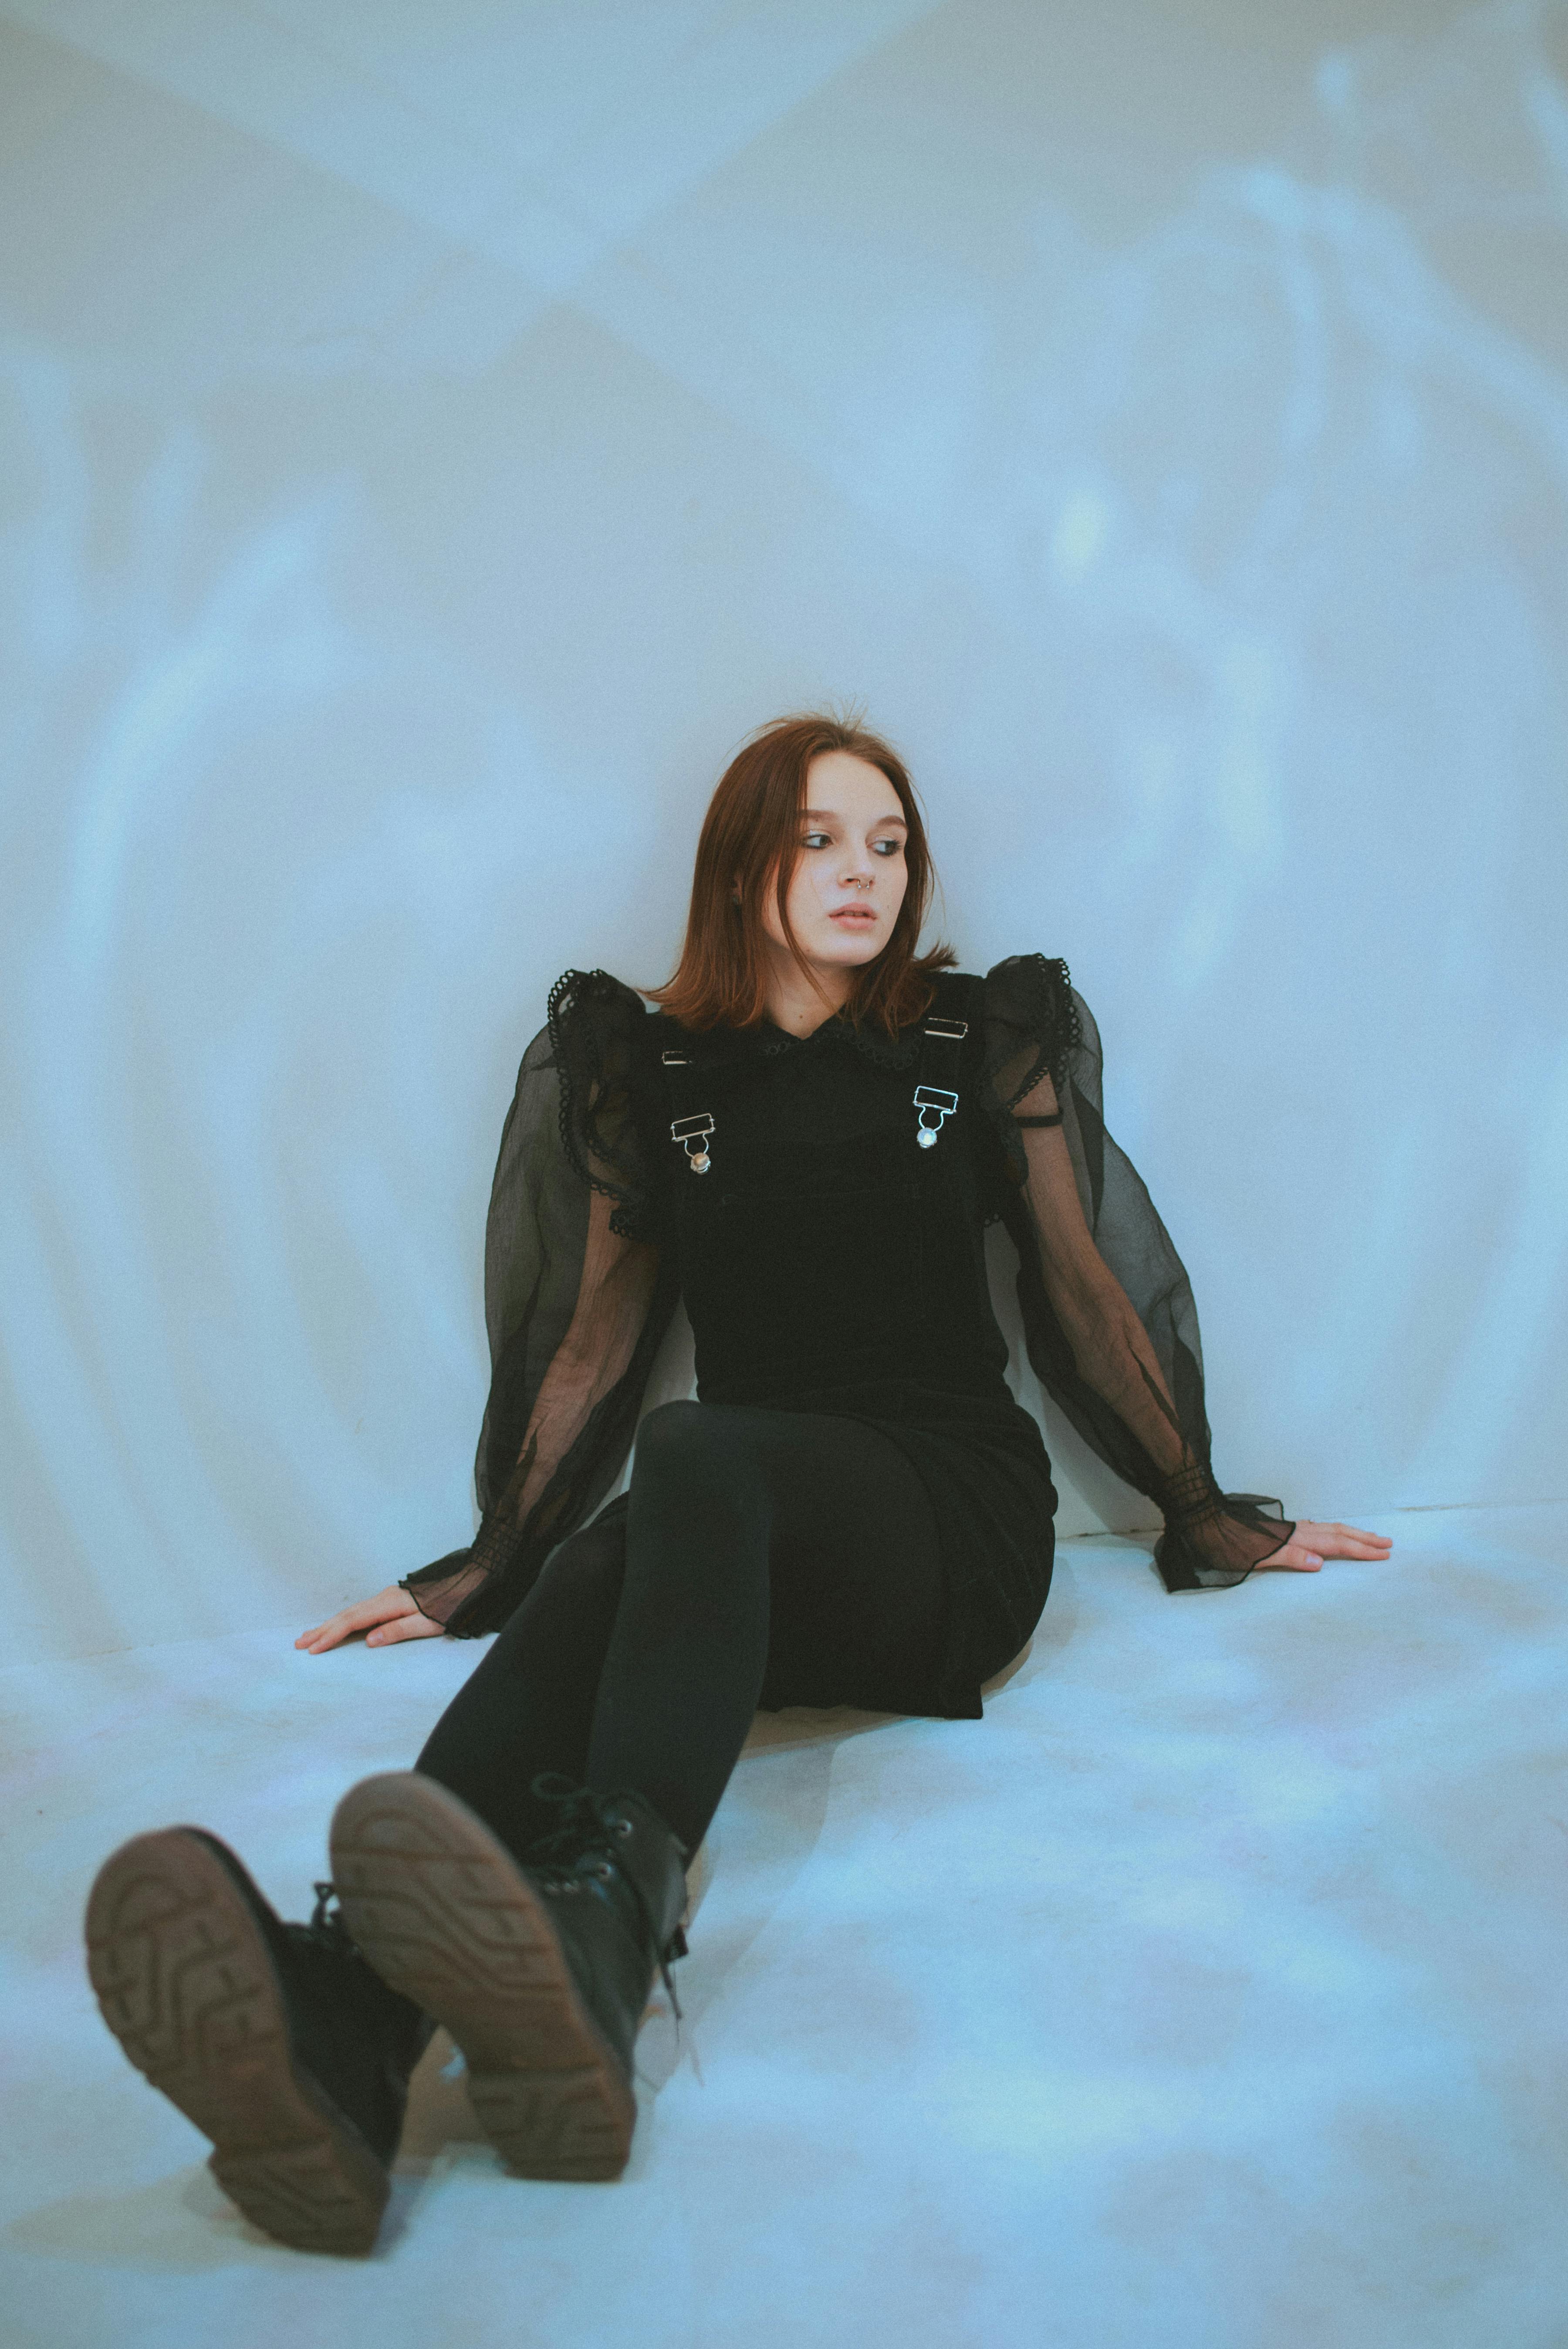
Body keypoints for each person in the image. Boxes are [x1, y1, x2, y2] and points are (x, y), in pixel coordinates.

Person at [83, 713, 1391, 2257]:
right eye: (820, 839)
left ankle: (602, 1938)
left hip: (950, 1526)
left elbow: (1084, 1285)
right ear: (742, 867)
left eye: (888, 843)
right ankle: (352, 2027)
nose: (864, 873)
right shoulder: (653, 1070)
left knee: (695, 1454)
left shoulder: (975, 1036)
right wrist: (495, 1558)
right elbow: (596, 1342)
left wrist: (1201, 1498)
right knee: (611, 1551)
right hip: (750, 1546)